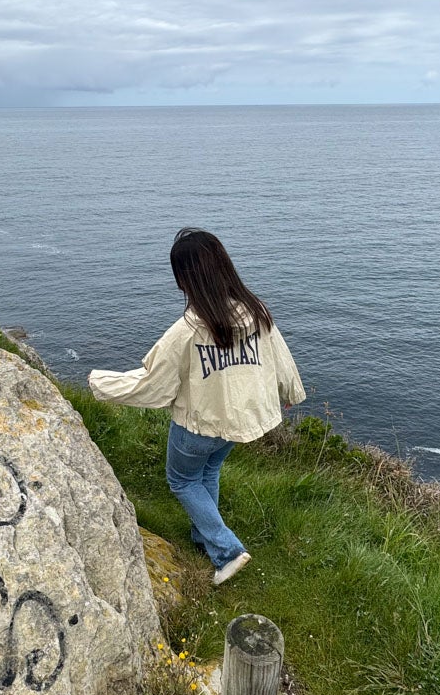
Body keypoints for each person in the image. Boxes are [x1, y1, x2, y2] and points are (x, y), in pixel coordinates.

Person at [88, 228, 306, 586]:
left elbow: (151, 384)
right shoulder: (257, 313)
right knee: (207, 473)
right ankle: (202, 538)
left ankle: (227, 551)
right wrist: (290, 393)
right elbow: (282, 361)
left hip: (199, 426)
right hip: (238, 424)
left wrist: (99, 384)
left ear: (185, 278)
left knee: (182, 479)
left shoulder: (189, 329)